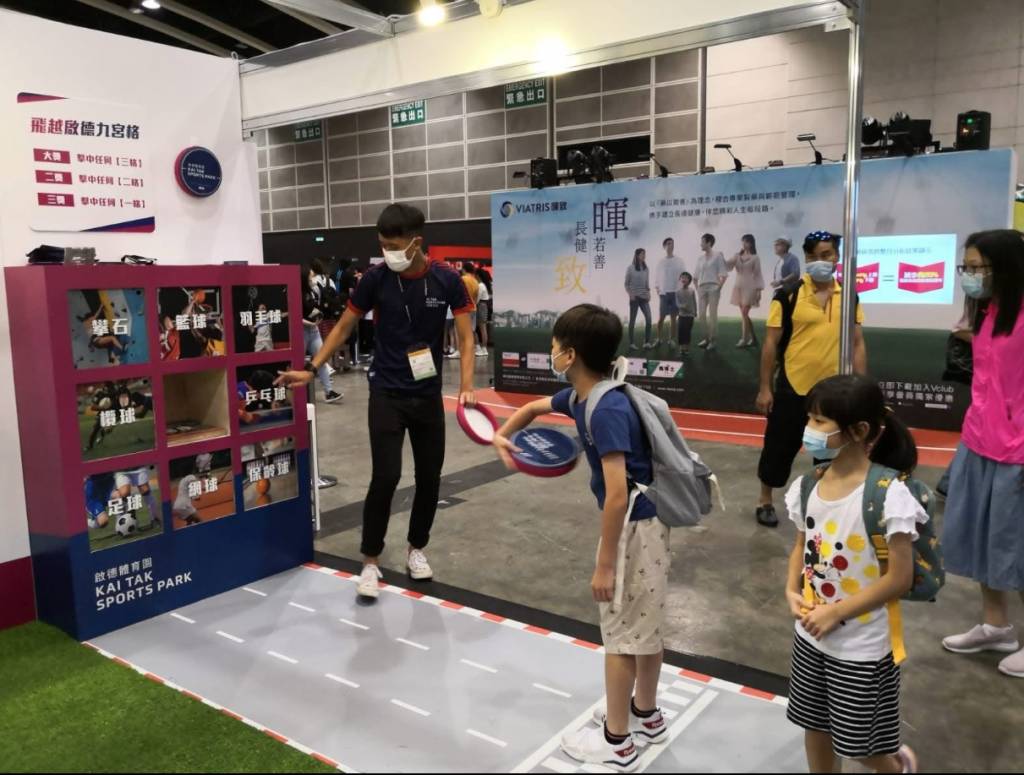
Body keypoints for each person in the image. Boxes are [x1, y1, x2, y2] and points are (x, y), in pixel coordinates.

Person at [492, 304, 668, 772]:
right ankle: (646, 713)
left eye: (553, 345)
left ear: (569, 355)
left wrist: (605, 564)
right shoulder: (587, 395)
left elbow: (616, 495)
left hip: (632, 529)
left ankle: (617, 741)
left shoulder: (605, 409)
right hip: (647, 525)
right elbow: (532, 408)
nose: (549, 351)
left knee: (621, 637)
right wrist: (503, 435)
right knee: (645, 627)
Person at [276, 203, 478, 600]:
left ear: (416, 242)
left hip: (427, 396)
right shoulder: (375, 280)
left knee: (430, 477)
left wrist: (467, 386)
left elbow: (467, 337)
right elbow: (344, 326)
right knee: (385, 476)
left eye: (394, 245)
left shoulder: (446, 280)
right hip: (386, 392)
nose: (387, 252)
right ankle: (370, 560)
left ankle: (416, 548)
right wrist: (312, 367)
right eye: (382, 244)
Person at [784, 374, 921, 775]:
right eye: (809, 418)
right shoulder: (808, 486)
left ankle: (898, 767)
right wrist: (792, 589)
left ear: (859, 431)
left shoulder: (888, 495)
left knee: (859, 743)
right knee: (814, 726)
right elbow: (801, 547)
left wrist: (836, 612)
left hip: (862, 648)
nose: (809, 429)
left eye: (820, 421)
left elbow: (899, 579)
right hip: (811, 637)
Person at [940, 229, 1024, 679]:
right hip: (979, 442)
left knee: (1016, 543)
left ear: (1005, 267)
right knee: (982, 537)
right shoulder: (989, 312)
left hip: (1017, 451)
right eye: (966, 267)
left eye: (977, 267)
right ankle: (996, 627)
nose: (969, 275)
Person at [755, 230, 867, 527]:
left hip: (833, 391)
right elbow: (770, 344)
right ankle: (765, 499)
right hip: (793, 385)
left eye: (826, 254)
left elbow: (857, 342)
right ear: (806, 257)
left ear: (837, 257)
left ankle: (825, 501)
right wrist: (765, 388)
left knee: (831, 450)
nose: (820, 260)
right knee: (779, 445)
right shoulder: (788, 295)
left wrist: (862, 388)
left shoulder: (849, 295)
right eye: (814, 255)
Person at [301, 266, 342, 403]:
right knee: (299, 362)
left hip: (314, 330)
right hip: (301, 331)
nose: (313, 278)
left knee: (321, 359)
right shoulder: (296, 293)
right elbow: (294, 315)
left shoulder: (313, 291)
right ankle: (299, 394)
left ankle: (329, 392)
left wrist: (318, 317)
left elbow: (315, 307)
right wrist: (310, 323)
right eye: (311, 276)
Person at [728, 234, 765, 348]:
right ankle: (753, 339)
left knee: (744, 313)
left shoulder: (755, 257)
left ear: (751, 243)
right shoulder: (737, 256)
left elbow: (758, 274)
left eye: (747, 242)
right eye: (743, 241)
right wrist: (721, 258)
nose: (744, 244)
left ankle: (744, 339)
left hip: (750, 287)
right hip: (738, 286)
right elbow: (728, 266)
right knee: (744, 315)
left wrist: (759, 291)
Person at [694, 233, 728, 351]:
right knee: (701, 315)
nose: (700, 244)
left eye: (702, 242)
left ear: (709, 243)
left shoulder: (718, 256)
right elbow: (695, 277)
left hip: (714, 287)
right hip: (702, 288)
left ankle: (713, 341)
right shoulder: (700, 259)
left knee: (712, 315)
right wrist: (697, 289)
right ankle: (706, 338)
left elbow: (724, 274)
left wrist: (719, 287)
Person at [653, 238, 685, 347]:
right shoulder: (661, 262)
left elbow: (683, 275)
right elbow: (656, 278)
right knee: (661, 317)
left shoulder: (679, 261)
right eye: (668, 243)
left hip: (675, 293)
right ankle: (658, 339)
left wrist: (681, 290)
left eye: (672, 243)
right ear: (664, 246)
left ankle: (671, 340)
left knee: (673, 318)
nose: (671, 245)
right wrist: (658, 290)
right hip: (664, 293)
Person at [624, 248, 653, 350]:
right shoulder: (630, 268)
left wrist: (649, 293)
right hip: (634, 297)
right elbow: (626, 284)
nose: (644, 256)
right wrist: (630, 294)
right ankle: (632, 343)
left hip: (644, 297)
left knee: (649, 319)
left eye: (645, 254)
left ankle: (647, 342)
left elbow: (647, 284)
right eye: (642, 254)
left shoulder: (646, 269)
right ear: (637, 256)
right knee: (632, 320)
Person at [459, 262, 482, 356]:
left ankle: (464, 350)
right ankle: (477, 348)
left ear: (464, 269)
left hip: (464, 308)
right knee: (472, 330)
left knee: (463, 331)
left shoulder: (462, 279)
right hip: (473, 307)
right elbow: (476, 297)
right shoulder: (475, 281)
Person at [675, 271, 697, 357]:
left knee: (687, 331)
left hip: (690, 315)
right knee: (681, 331)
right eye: (682, 277)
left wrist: (695, 311)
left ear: (689, 280)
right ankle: (681, 348)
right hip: (681, 315)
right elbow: (677, 303)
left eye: (686, 278)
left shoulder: (692, 291)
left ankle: (686, 348)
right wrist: (682, 306)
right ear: (680, 279)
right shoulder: (677, 291)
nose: (684, 279)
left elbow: (694, 302)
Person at [474, 265, 491, 358]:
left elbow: (477, 299)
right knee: (482, 328)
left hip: (481, 306)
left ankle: (483, 349)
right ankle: (483, 348)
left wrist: (473, 304)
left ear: (478, 276)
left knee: (482, 328)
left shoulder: (480, 285)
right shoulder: (483, 285)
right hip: (483, 306)